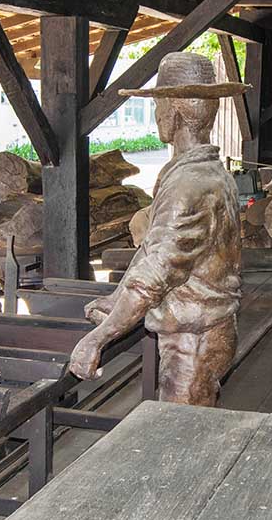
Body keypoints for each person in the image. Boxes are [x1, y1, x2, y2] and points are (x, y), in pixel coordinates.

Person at [66, 52, 245, 406]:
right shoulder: (206, 172)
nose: (156, 114)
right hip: (201, 332)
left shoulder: (188, 186)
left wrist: (97, 339)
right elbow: (152, 250)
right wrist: (116, 299)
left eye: (159, 104)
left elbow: (155, 272)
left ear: (175, 108)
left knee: (178, 438)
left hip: (194, 341)